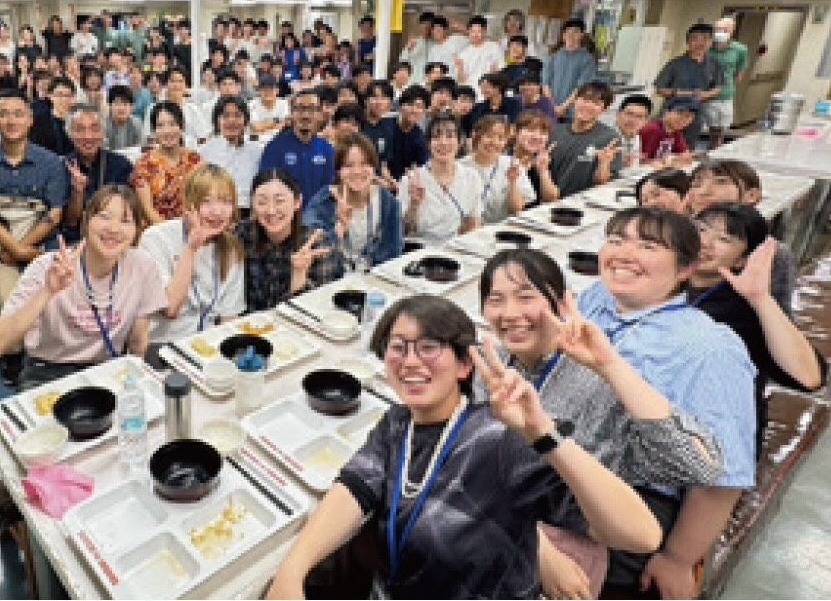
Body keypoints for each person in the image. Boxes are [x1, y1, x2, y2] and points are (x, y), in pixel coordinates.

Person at [266, 294, 662, 600]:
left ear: (463, 365)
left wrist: (544, 433)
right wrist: (293, 568)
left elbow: (642, 535)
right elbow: (354, 486)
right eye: (398, 347)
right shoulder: (398, 423)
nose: (409, 361)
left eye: (429, 347)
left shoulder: (500, 440)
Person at [478, 249, 723, 599]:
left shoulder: (597, 378)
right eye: (495, 300)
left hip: (576, 543)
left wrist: (610, 366)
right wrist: (532, 542)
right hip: (500, 529)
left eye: (526, 297)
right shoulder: (491, 365)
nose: (510, 313)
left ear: (563, 302)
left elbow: (701, 467)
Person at [577, 207, 756, 599]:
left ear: (685, 269)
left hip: (633, 500)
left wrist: (677, 557)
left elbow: (724, 473)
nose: (624, 253)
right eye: (617, 240)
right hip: (564, 470)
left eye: (648, 245)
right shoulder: (595, 299)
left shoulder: (708, 347)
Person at [0, 185, 167, 386]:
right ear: (86, 220)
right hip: (49, 367)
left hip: (107, 366)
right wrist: (48, 290)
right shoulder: (48, 266)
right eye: (104, 216)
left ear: (136, 231)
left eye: (126, 221)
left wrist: (138, 381)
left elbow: (138, 339)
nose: (114, 229)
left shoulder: (142, 266)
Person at [688, 203, 825, 452]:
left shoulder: (744, 311)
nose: (705, 242)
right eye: (700, 229)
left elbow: (808, 377)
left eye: (724, 239)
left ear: (742, 260)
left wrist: (760, 299)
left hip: (712, 437)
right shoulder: (660, 285)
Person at [0, 88, 70, 385]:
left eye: (18, 113)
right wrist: (12, 251)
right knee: (8, 298)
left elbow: (55, 214)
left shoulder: (50, 163)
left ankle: (51, 354)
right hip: (1, 254)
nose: (11, 120)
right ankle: (15, 356)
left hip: (44, 248)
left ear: (30, 120)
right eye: (3, 114)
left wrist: (23, 250)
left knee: (56, 298)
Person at [139, 164, 246, 343]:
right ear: (189, 204)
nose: (217, 211)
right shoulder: (156, 238)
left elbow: (229, 316)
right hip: (161, 344)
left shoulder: (231, 248)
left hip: (209, 343)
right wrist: (190, 249)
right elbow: (170, 309)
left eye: (226, 201)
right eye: (206, 201)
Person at [684, 159, 796, 317]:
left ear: (752, 195)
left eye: (721, 182)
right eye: (696, 184)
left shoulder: (771, 253)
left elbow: (778, 320)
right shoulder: (674, 233)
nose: (704, 192)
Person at [236, 168, 345, 312]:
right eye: (262, 202)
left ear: (297, 202)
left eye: (279, 201)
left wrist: (299, 274)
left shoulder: (316, 244)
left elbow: (314, 311)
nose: (271, 211)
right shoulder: (241, 235)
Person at [304, 132, 403, 271]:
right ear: (338, 170)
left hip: (375, 278)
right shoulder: (322, 204)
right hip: (332, 281)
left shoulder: (387, 202)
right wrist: (338, 228)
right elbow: (313, 257)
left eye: (364, 164)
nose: (357, 171)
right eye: (348, 165)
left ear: (374, 167)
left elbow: (393, 252)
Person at [400, 115, 481, 242]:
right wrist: (413, 205)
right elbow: (403, 231)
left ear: (460, 142)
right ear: (428, 143)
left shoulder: (471, 177)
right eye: (436, 137)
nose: (443, 143)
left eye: (450, 136)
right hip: (416, 249)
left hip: (454, 248)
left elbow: (472, 222)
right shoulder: (410, 180)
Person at [61, 105, 134, 243]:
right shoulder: (62, 166)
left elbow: (128, 213)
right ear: (70, 134)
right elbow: (70, 222)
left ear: (103, 132)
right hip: (75, 241)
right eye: (80, 130)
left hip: (113, 237)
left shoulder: (121, 165)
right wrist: (77, 191)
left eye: (95, 129)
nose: (88, 136)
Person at [130, 101, 203, 226]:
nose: (167, 131)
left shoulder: (195, 160)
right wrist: (171, 234)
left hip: (193, 227)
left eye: (172, 124)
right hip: (156, 231)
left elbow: (201, 201)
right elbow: (147, 210)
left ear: (182, 126)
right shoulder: (144, 164)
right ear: (154, 131)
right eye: (160, 126)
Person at [654, 23, 722, 150]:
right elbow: (660, 89)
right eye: (695, 38)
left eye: (705, 38)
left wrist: (706, 94)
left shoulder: (714, 65)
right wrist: (680, 93)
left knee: (687, 148)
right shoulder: (675, 64)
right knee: (664, 146)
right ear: (688, 41)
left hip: (695, 115)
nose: (700, 43)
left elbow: (718, 87)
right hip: (672, 113)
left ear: (711, 42)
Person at [547, 82, 623, 196]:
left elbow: (602, 183)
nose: (588, 105)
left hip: (582, 203)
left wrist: (604, 163)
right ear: (575, 101)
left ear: (604, 110)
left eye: (596, 103)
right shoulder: (554, 132)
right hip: (546, 199)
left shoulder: (609, 138)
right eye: (585, 99)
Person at [259, 89, 335, 200]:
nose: (305, 115)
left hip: (318, 215)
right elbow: (266, 189)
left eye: (312, 109)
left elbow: (330, 191)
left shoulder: (326, 150)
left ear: (319, 114)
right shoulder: (274, 148)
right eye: (300, 108)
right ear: (291, 113)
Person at [199, 96, 264, 218]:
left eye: (237, 115)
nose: (232, 121)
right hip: (215, 212)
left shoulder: (257, 151)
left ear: (245, 120)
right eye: (225, 116)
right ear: (217, 121)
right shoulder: (204, 152)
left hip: (249, 213)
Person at [461, 116, 533, 223]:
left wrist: (512, 182)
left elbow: (517, 209)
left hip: (502, 230)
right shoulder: (460, 167)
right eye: (489, 136)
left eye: (500, 138)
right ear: (475, 135)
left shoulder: (512, 165)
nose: (494, 142)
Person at [705, 16, 749, 149]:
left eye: (724, 30)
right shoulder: (706, 47)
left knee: (719, 131)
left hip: (725, 95)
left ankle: (715, 156)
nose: (720, 32)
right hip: (704, 94)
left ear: (732, 31)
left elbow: (739, 73)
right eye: (717, 29)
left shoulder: (740, 50)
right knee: (704, 129)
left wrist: (726, 84)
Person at [542, 19, 597, 120]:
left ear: (581, 35)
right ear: (563, 35)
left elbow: (582, 87)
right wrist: (552, 106)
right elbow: (545, 83)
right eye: (568, 31)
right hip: (550, 110)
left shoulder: (587, 59)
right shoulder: (553, 57)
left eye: (576, 31)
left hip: (572, 112)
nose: (571, 34)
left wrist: (563, 107)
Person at [511, 111, 560, 206]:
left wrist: (543, 172)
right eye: (530, 130)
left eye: (543, 132)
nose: (537, 136)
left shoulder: (543, 159)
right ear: (516, 132)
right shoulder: (502, 158)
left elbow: (551, 198)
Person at [638, 95, 697, 166]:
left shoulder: (675, 132)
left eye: (688, 116)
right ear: (666, 112)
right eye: (679, 113)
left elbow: (684, 154)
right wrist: (670, 160)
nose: (683, 119)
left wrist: (683, 157)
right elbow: (640, 161)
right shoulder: (652, 130)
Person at [29, 75, 76, 157]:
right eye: (59, 95)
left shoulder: (77, 121)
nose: (64, 99)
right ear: (50, 96)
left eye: (68, 95)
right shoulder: (38, 121)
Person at [462, 71, 521, 136]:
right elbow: (474, 126)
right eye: (481, 88)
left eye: (486, 87)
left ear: (498, 87)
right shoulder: (478, 107)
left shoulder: (513, 104)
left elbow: (514, 123)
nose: (483, 91)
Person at [454, 15, 504, 89]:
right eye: (473, 31)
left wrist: (494, 73)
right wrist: (460, 68)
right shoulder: (463, 53)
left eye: (479, 31)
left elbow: (500, 70)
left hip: (489, 89)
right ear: (468, 32)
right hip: (470, 91)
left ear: (484, 32)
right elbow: (461, 80)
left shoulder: (494, 47)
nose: (475, 35)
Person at [165, 67, 212, 141]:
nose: (176, 85)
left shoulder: (193, 110)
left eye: (180, 81)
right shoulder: (155, 108)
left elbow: (203, 137)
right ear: (166, 84)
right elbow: (151, 140)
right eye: (172, 81)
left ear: (186, 86)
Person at [612, 94, 652, 169]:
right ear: (618, 114)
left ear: (645, 121)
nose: (633, 120)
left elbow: (633, 168)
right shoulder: (606, 137)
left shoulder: (636, 137)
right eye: (629, 114)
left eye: (639, 116)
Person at [104, 84, 144, 150]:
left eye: (125, 104)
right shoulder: (103, 125)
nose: (121, 108)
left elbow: (140, 149)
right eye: (117, 104)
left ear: (132, 107)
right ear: (110, 106)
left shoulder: (137, 123)